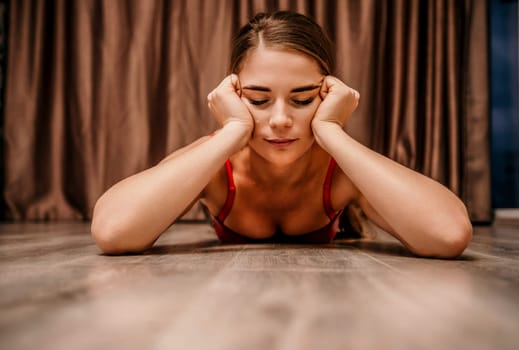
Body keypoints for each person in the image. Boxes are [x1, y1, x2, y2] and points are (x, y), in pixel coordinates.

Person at [91, 11, 472, 258]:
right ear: (234, 95)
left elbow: (450, 235)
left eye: (302, 100)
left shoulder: (341, 170)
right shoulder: (211, 163)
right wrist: (233, 131)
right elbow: (111, 232)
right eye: (258, 100)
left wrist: (330, 131)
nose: (279, 119)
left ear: (328, 95)